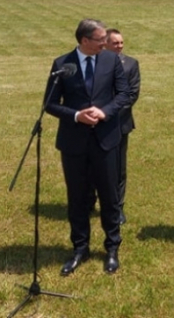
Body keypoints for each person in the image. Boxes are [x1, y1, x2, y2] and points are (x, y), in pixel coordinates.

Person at [45, 18, 133, 275]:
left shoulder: (111, 61)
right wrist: (76, 115)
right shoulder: (62, 64)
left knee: (109, 197)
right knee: (77, 198)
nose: (106, 43)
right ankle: (80, 248)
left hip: (106, 141)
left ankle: (112, 248)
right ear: (84, 40)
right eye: (101, 39)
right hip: (74, 143)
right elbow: (50, 103)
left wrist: (104, 112)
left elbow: (124, 94)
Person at [104, 28, 140, 224]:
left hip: (119, 123)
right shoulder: (96, 62)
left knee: (118, 168)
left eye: (121, 42)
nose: (119, 46)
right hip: (95, 123)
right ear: (106, 44)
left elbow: (132, 95)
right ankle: (90, 201)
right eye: (115, 43)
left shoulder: (131, 64)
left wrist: (108, 114)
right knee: (93, 165)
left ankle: (117, 208)